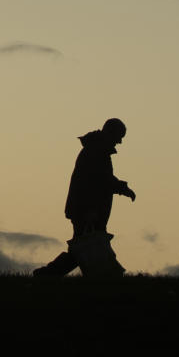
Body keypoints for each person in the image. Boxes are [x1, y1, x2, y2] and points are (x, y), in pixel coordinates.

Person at [33, 118, 136, 277]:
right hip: (87, 210)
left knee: (85, 247)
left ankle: (49, 274)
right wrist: (90, 210)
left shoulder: (97, 150)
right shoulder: (96, 151)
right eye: (119, 136)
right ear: (111, 133)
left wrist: (122, 188)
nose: (120, 141)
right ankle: (48, 274)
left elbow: (103, 179)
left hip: (89, 209)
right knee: (86, 247)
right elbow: (93, 183)